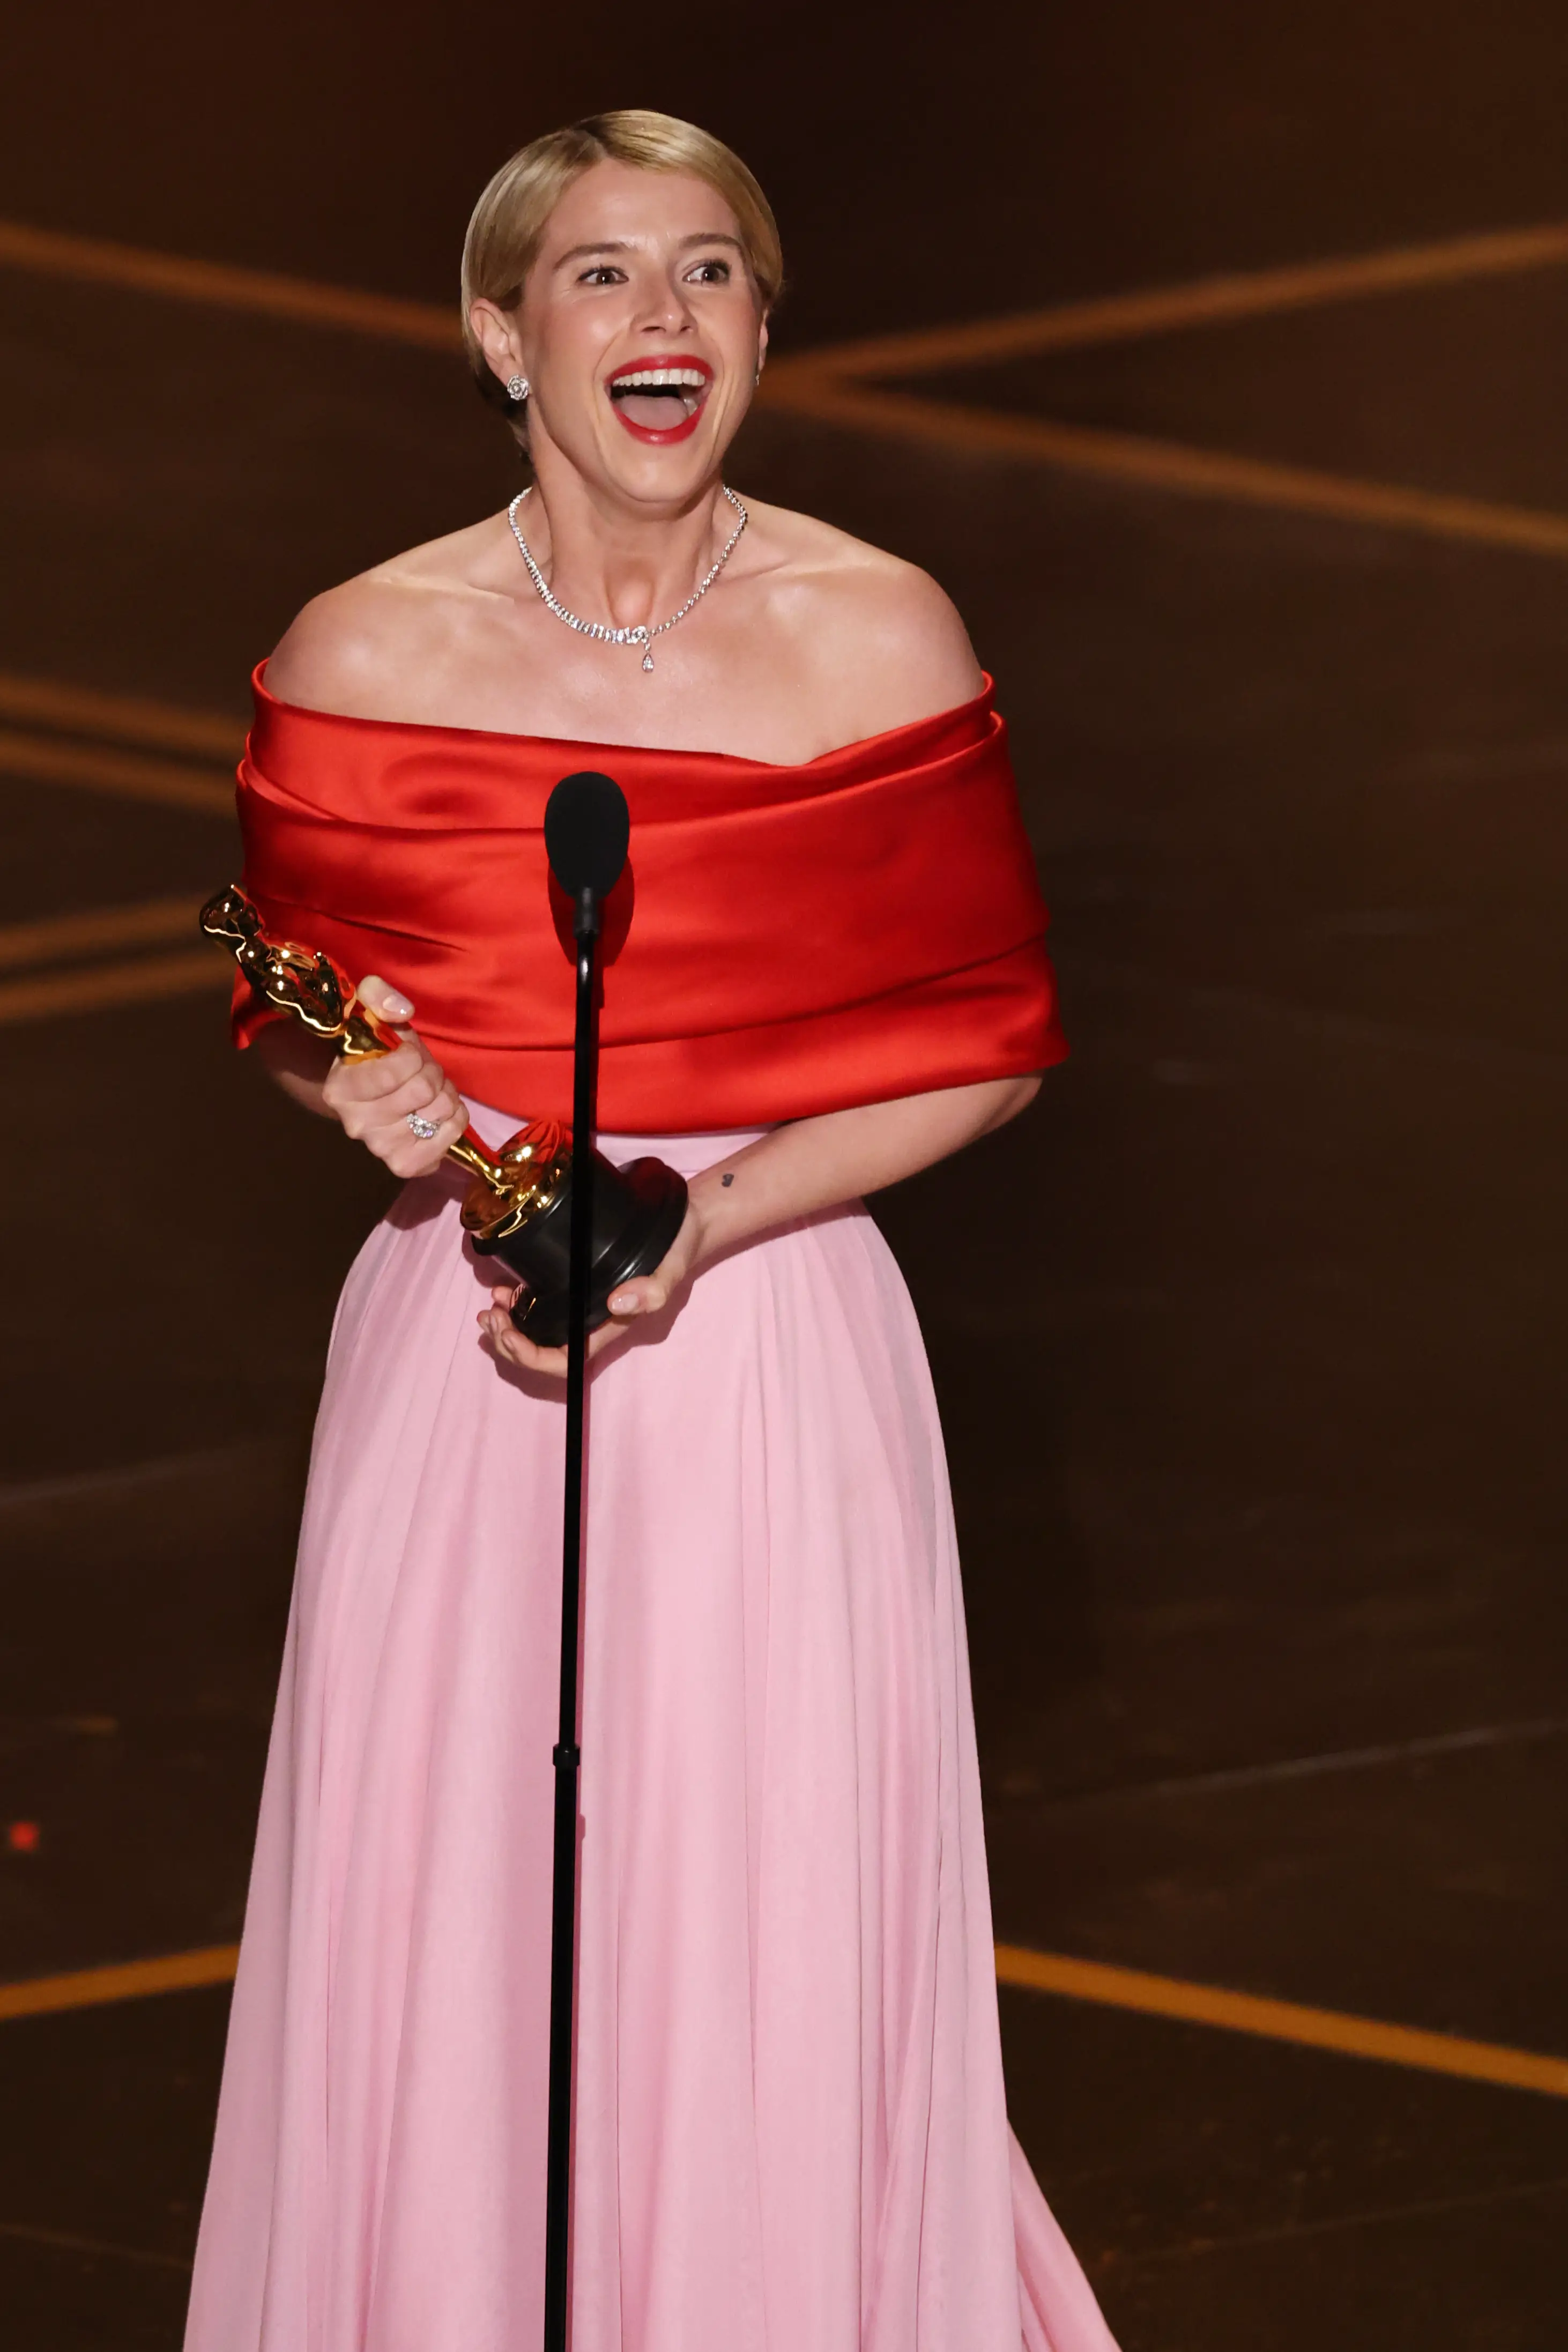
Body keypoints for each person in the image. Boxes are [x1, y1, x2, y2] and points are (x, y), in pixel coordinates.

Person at [184, 110, 1119, 2352]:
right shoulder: (363, 646)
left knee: (762, 1916)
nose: (662, 318)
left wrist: (709, 1215)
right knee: (451, 1917)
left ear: (764, 334)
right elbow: (301, 1013)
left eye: (709, 273)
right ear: (501, 337)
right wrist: (380, 1101)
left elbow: (982, 1043)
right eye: (601, 276)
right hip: (461, 1353)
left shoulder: (876, 631)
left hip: (764, 1330)